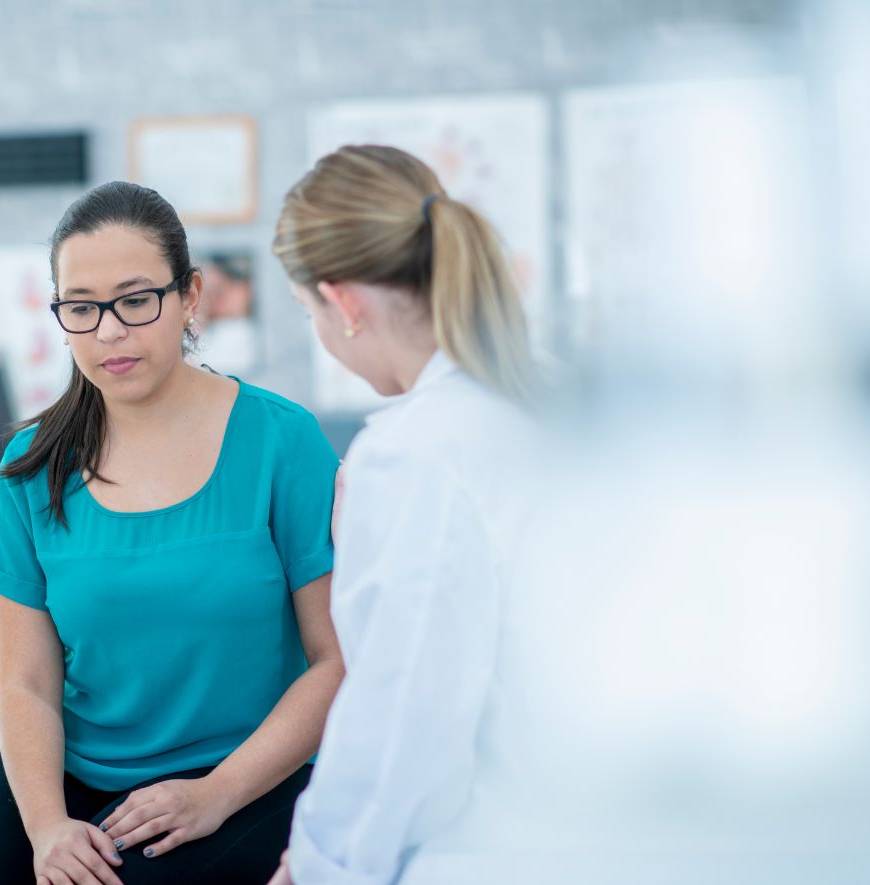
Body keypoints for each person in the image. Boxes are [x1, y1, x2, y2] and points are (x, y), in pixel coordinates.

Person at [0, 181, 345, 885]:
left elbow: (335, 660)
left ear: (190, 295)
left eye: (135, 299)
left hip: (246, 778)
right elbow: (25, 682)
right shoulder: (31, 468)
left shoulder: (283, 441)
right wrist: (47, 827)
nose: (109, 331)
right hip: (73, 773)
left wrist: (217, 793)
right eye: (81, 308)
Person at [267, 144, 545, 884]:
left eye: (308, 313)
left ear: (345, 304)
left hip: (487, 844)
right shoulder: (526, 406)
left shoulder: (410, 456)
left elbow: (403, 717)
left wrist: (321, 862)